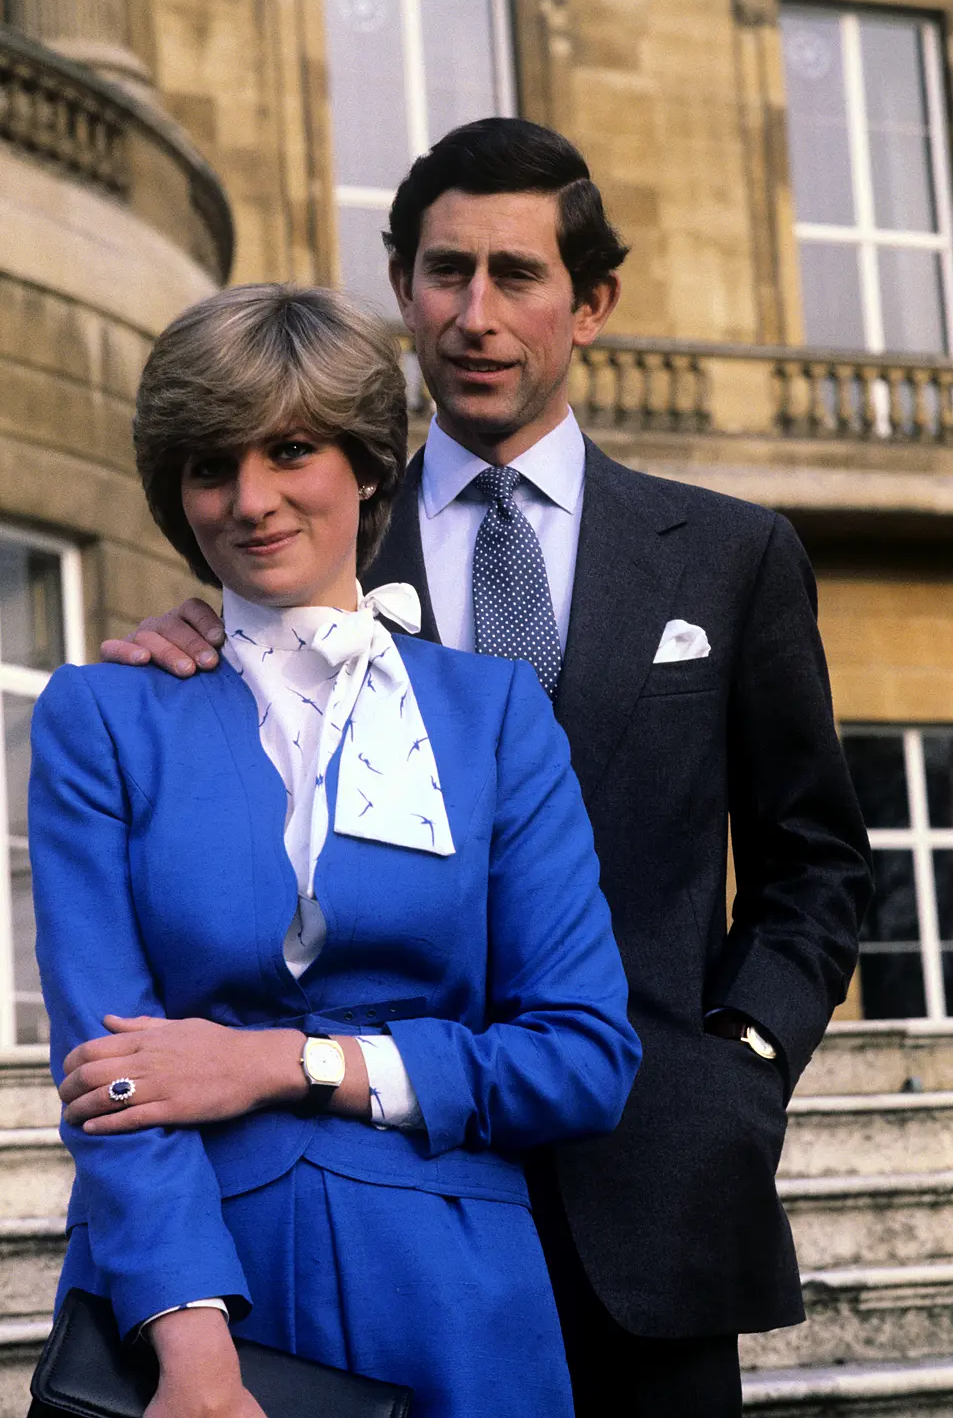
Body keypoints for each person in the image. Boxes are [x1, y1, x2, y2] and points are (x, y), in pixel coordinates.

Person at [97, 120, 873, 1417]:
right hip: (382, 1209)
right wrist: (189, 651)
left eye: (516, 274)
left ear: (592, 301)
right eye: (443, 271)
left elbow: (820, 863)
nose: (474, 312)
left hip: (657, 1190)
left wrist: (735, 1059)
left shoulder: (731, 558)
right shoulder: (290, 542)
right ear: (401, 288)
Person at [29, 282, 641, 1418]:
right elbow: (107, 1074)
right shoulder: (103, 715)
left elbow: (582, 1054)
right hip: (196, 1296)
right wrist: (197, 1357)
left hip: (456, 1297)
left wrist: (283, 1062)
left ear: (364, 463)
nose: (250, 500)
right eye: (212, 466)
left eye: (292, 450)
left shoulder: (492, 715)